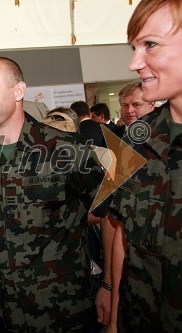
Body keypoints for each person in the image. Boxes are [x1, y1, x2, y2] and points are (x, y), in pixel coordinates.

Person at [0, 57, 109, 332]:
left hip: (66, 311)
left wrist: (110, 285)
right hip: (4, 311)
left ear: (18, 91)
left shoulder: (66, 148)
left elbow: (109, 215)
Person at [99, 0, 182, 332]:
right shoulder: (132, 140)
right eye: (134, 47)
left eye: (150, 45)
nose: (134, 62)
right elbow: (121, 234)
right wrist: (116, 319)